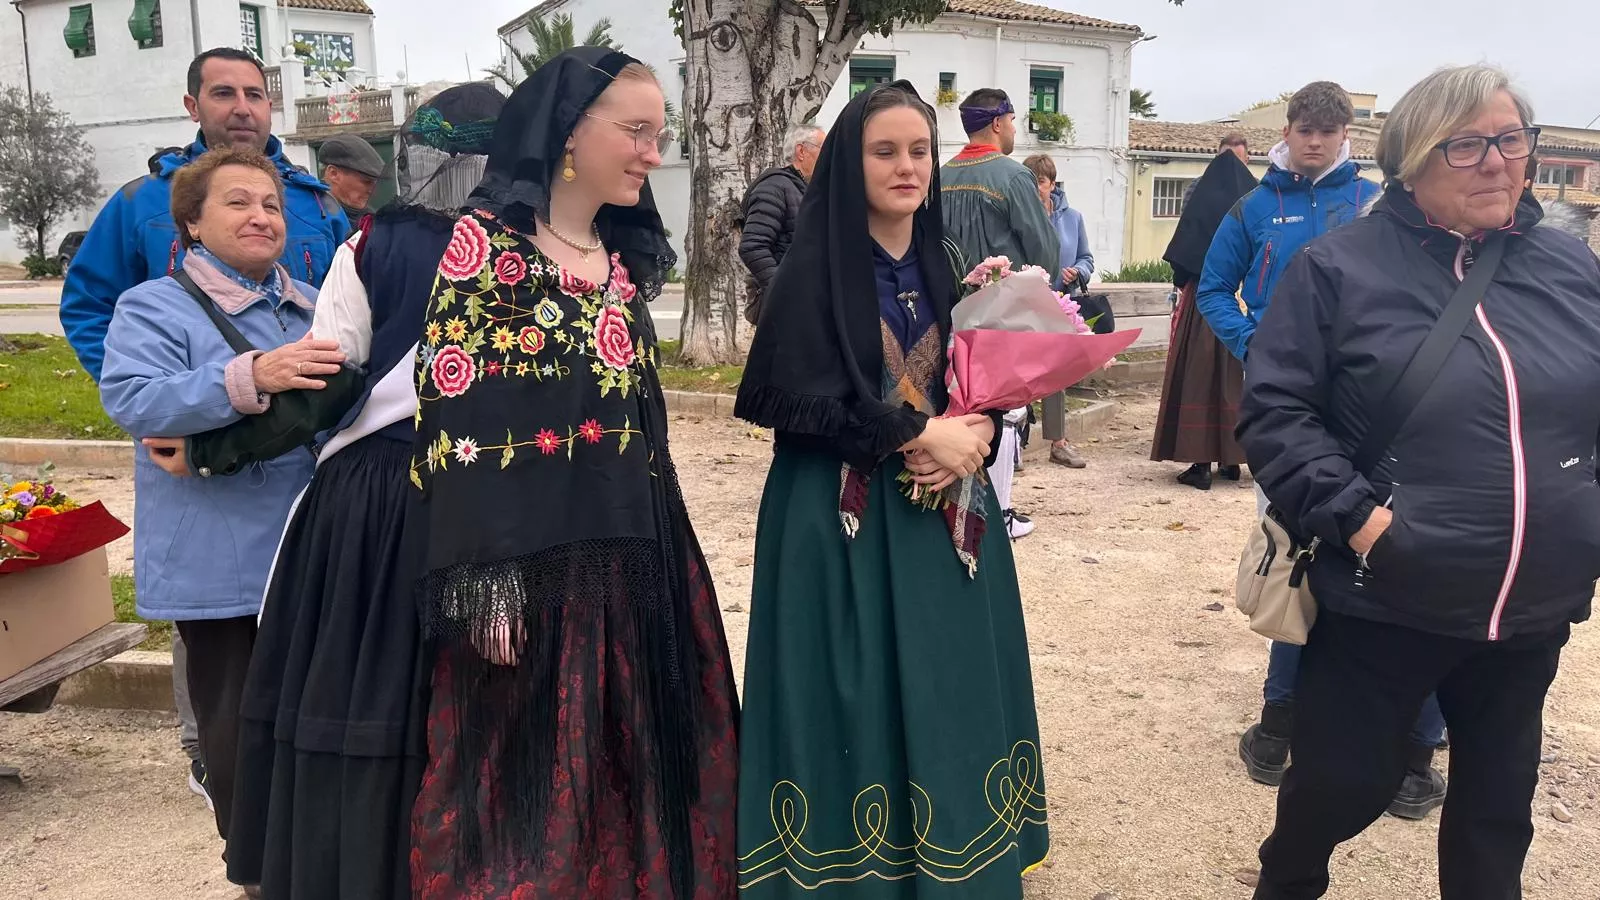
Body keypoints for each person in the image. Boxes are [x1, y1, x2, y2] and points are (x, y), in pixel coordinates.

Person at [1238, 64, 1600, 899]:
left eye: (1511, 140)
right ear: (1411, 161)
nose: (1499, 163)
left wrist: (1585, 521)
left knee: (1497, 811)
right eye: (1466, 146)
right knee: (1341, 787)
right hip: (1389, 595)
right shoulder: (1338, 270)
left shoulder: (1568, 268)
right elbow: (1278, 416)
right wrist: (1365, 525)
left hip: (1531, 604)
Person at [405, 49, 738, 898]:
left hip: (638, 552)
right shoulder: (482, 250)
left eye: (658, 135)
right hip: (535, 571)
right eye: (635, 131)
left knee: (640, 767)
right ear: (564, 134)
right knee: (539, 788)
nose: (650, 154)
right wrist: (488, 583)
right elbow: (457, 420)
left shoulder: (615, 258)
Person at [734, 81, 1049, 896]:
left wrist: (976, 430)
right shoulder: (812, 269)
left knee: (946, 690)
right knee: (856, 699)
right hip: (837, 526)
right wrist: (913, 432)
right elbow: (772, 399)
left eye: (919, 151)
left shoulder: (947, 262)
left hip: (943, 525)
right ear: (850, 160)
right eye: (886, 151)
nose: (907, 166)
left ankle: (955, 862)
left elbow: (978, 382)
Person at [217, 83, 506, 900]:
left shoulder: (373, 244)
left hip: (376, 501)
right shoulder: (541, 247)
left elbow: (331, 373)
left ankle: (359, 871)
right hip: (494, 488)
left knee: (364, 683)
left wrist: (217, 446)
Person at [59, 48, 346, 804]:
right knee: (231, 708)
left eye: (256, 93)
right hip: (216, 527)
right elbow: (123, 368)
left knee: (308, 704)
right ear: (194, 105)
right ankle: (249, 849)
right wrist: (192, 413)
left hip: (304, 528)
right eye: (225, 92)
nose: (243, 106)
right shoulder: (142, 228)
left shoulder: (316, 235)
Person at [1192, 83, 1448, 811]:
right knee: (1296, 560)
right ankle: (1279, 727)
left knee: (1414, 565)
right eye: (1306, 129)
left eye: (1329, 132)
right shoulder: (1252, 207)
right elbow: (1214, 290)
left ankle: (1414, 755)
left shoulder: (1378, 204)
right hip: (1295, 410)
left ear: (1347, 137)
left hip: (1383, 410)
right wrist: (1262, 347)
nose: (1316, 141)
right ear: (1289, 130)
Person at [97, 148, 344, 895]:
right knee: (236, 727)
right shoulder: (152, 306)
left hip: (309, 549)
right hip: (219, 561)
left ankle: (320, 858)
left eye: (270, 204)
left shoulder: (314, 303)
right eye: (237, 203)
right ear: (193, 224)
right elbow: (134, 399)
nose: (260, 216)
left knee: (318, 713)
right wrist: (250, 376)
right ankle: (259, 872)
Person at [1150, 147, 1257, 490]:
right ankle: (1232, 459)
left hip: (1206, 301)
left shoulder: (1203, 198)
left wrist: (1185, 282)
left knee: (1198, 377)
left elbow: (1182, 259)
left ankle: (1201, 464)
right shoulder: (1256, 201)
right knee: (1234, 381)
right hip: (1245, 302)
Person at [739, 123, 824, 324]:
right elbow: (752, 246)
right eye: (824, 148)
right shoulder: (774, 186)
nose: (829, 156)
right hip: (784, 309)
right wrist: (783, 290)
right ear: (801, 151)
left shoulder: (805, 189)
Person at [318, 133, 386, 221]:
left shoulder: (370, 219)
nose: (372, 191)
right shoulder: (310, 218)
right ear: (333, 174)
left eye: (375, 182)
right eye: (367, 181)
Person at [1182, 133, 1249, 206]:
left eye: (1236, 160)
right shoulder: (1197, 186)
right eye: (1225, 158)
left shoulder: (1256, 190)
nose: (1230, 163)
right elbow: (1187, 216)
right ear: (1217, 158)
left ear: (1246, 161)